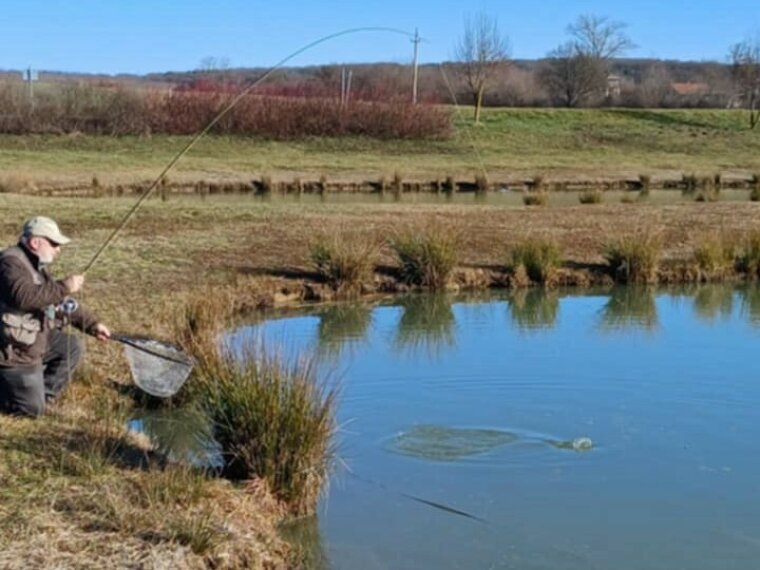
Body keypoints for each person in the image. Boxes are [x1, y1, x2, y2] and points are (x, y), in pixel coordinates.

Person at [0, 216, 111, 417]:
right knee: (30, 411)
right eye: (54, 243)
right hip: (13, 353)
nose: (58, 249)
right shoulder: (10, 264)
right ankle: (15, 396)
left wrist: (93, 325)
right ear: (35, 242)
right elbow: (24, 297)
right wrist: (65, 286)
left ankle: (45, 396)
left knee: (71, 346)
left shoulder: (36, 266)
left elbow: (59, 303)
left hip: (35, 341)